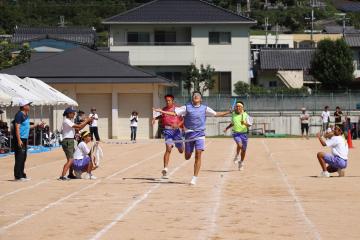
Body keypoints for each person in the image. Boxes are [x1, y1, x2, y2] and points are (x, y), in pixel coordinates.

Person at [153, 91, 231, 185]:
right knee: (187, 156)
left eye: (198, 95)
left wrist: (229, 112)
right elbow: (174, 113)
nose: (196, 96)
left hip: (200, 134)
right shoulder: (186, 107)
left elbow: (216, 114)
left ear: (201, 99)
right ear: (192, 98)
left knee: (198, 154)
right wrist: (161, 111)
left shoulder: (205, 108)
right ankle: (188, 151)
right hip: (189, 134)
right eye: (194, 95)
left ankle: (194, 178)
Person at [152, 94, 184, 179]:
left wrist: (178, 125)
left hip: (176, 131)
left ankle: (180, 146)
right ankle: (165, 169)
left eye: (169, 100)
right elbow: (161, 116)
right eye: (166, 100)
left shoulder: (178, 109)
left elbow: (183, 119)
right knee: (168, 148)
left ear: (173, 101)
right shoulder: (164, 109)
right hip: (167, 131)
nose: (167, 102)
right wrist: (155, 118)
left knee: (181, 151)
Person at [13, 99, 44, 181]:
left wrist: (37, 124)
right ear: (23, 106)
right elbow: (17, 127)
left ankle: (22, 174)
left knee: (23, 157)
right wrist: (19, 140)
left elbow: (28, 127)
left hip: (24, 138)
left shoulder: (26, 115)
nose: (29, 106)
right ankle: (18, 176)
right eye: (28, 105)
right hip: (20, 139)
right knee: (19, 157)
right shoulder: (19, 115)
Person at [58, 107, 93, 181]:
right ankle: (62, 176)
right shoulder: (67, 121)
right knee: (70, 160)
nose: (74, 114)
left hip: (70, 141)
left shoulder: (69, 121)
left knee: (71, 159)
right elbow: (79, 126)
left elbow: (78, 129)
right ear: (69, 113)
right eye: (73, 113)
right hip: (68, 141)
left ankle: (70, 174)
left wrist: (86, 122)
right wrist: (87, 121)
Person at [224, 101, 252, 171]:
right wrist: (226, 128)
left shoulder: (246, 115)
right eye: (237, 106)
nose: (238, 107)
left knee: (244, 150)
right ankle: (236, 156)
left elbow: (249, 124)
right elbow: (232, 123)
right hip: (236, 133)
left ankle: (241, 162)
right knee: (240, 145)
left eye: (239, 106)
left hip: (244, 134)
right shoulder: (233, 114)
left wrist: (244, 123)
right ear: (235, 107)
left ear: (242, 108)